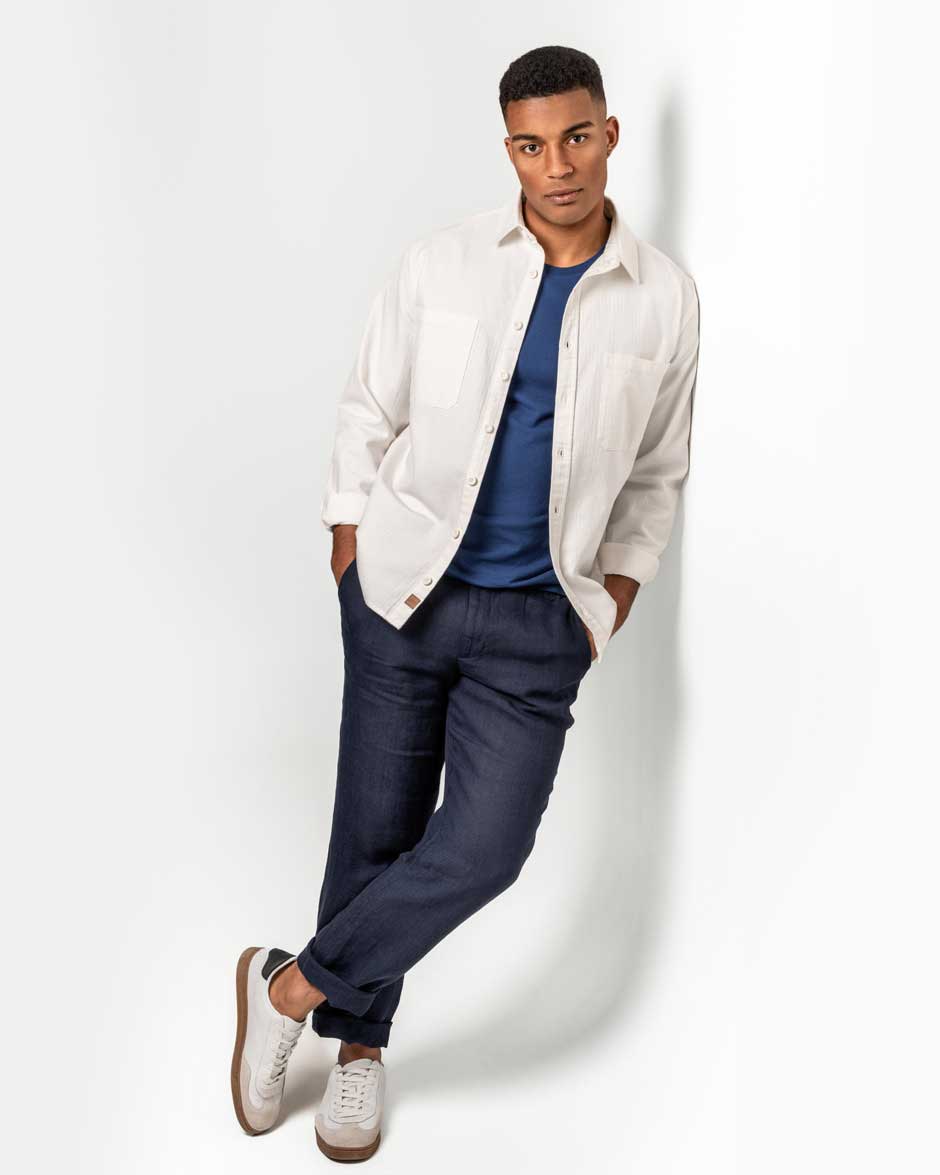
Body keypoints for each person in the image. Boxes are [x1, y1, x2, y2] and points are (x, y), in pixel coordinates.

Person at [230, 43, 700, 1162]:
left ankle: (285, 989)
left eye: (575, 137)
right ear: (510, 151)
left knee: (485, 847)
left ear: (609, 135)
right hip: (403, 592)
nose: (557, 166)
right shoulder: (441, 264)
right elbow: (368, 406)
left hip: (539, 623)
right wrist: (349, 540)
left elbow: (656, 473)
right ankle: (360, 1049)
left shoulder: (664, 299)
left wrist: (609, 600)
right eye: (532, 146)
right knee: (376, 832)